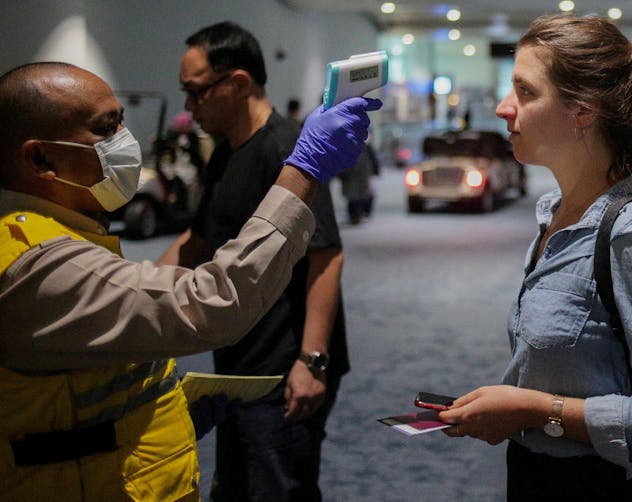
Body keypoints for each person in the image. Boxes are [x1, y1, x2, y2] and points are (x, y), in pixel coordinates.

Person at [0, 61, 379, 501]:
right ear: (40, 158)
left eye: (121, 121)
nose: (125, 140)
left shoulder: (60, 232)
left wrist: (152, 408)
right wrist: (306, 168)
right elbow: (212, 301)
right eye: (106, 129)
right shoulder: (35, 261)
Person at [437, 15, 632, 500]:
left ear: (582, 112)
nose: (504, 108)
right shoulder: (557, 216)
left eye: (525, 92)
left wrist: (531, 410)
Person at [157, 22, 348, 501]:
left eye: (195, 92)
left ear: (238, 83)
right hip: (237, 363)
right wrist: (128, 295)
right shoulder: (225, 153)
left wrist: (313, 361)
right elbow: (196, 239)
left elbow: (326, 256)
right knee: (234, 486)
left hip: (285, 367)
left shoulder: (287, 150)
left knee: (279, 488)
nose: (188, 107)